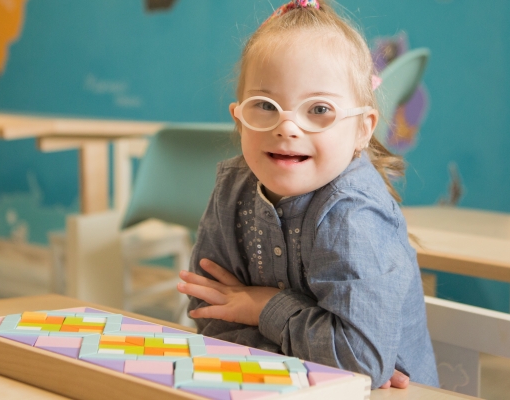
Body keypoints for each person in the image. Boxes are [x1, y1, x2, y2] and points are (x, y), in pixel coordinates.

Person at [176, 0, 439, 389]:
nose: (287, 127)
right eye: (265, 105)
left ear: (363, 129)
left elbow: (361, 363)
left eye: (319, 109)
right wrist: (312, 354)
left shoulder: (353, 214)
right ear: (239, 116)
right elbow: (211, 313)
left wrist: (262, 306)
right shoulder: (232, 189)